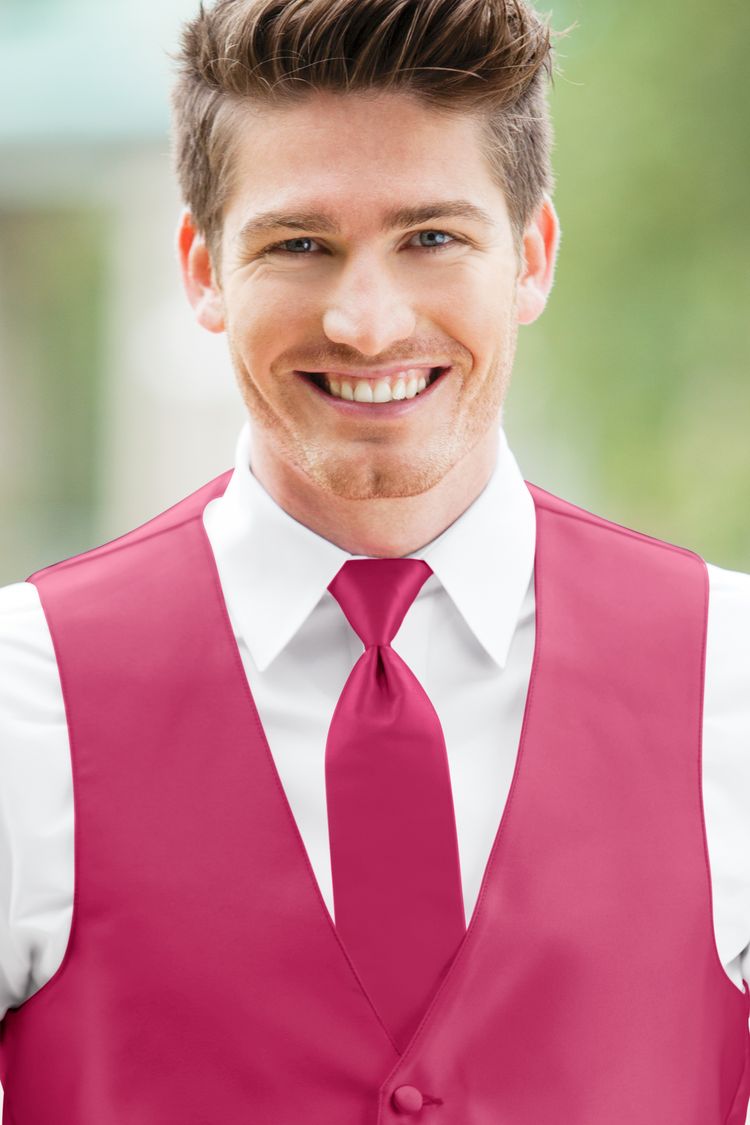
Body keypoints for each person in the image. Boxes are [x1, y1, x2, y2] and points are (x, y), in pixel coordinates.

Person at [0, 0, 748, 1120]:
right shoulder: (23, 698)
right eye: (299, 244)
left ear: (532, 257)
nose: (366, 323)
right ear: (203, 269)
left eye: (432, 238)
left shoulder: (732, 674)